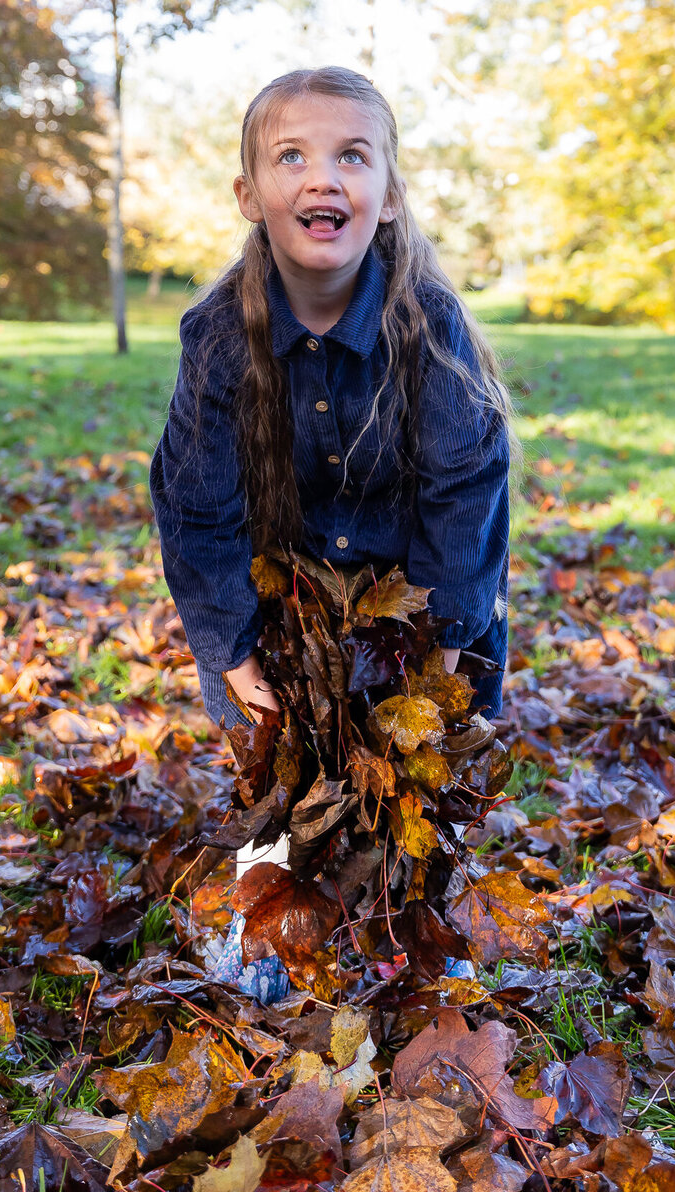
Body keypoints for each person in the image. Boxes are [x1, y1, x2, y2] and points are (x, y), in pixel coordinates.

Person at [150, 65, 513, 996]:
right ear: (250, 195)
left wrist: (441, 643)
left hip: (425, 595)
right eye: (292, 157)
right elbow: (196, 506)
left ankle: (405, 922)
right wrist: (231, 649)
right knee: (285, 781)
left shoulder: (427, 327)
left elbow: (467, 487)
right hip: (281, 605)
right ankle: (272, 922)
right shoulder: (220, 336)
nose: (324, 178)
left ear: (387, 196)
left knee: (410, 787)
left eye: (352, 156)